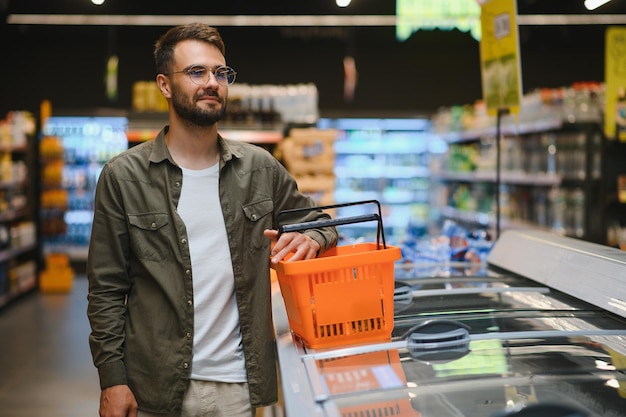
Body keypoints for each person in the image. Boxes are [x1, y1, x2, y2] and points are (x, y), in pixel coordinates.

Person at [86, 22, 338, 417]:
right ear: (165, 85)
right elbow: (106, 288)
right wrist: (112, 379)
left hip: (237, 386)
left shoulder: (258, 168)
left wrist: (314, 238)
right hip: (153, 387)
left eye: (220, 73)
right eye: (196, 72)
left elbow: (321, 221)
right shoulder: (123, 177)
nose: (212, 82)